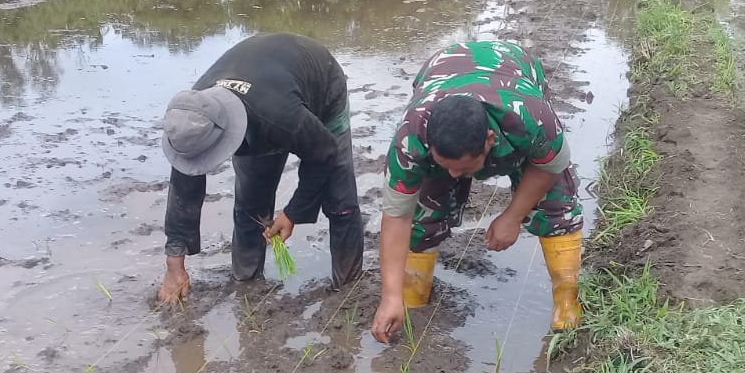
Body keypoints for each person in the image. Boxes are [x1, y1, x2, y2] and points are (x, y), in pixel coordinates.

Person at [370, 40, 584, 343]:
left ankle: (567, 300)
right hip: (443, 67)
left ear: (489, 140)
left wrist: (512, 217)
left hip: (511, 69)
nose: (455, 175)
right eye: (447, 166)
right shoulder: (411, 139)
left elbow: (549, 165)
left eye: (464, 168)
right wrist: (389, 296)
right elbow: (397, 217)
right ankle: (411, 295)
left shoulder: (531, 118)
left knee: (557, 203)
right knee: (423, 212)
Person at [157, 33, 362, 303]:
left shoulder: (279, 116)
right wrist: (174, 264)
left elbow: (324, 154)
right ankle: (247, 286)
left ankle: (348, 290)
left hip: (320, 85)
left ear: (226, 132)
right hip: (264, 88)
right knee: (250, 208)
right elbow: (184, 192)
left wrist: (292, 213)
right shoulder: (192, 118)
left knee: (339, 199)